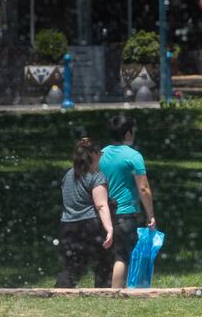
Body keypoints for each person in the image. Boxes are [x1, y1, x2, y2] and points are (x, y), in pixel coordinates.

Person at [100, 114, 156, 289]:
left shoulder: (101, 154)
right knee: (122, 257)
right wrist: (151, 215)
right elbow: (143, 188)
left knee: (107, 256)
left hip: (104, 212)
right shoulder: (133, 156)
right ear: (128, 135)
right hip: (126, 212)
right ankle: (116, 295)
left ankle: (103, 289)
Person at [54, 137, 114, 288]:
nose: (101, 155)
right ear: (93, 154)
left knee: (73, 268)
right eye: (100, 152)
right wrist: (109, 228)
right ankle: (103, 294)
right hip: (88, 226)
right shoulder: (96, 175)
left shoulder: (68, 175)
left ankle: (59, 293)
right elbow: (101, 205)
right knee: (104, 262)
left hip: (67, 225)